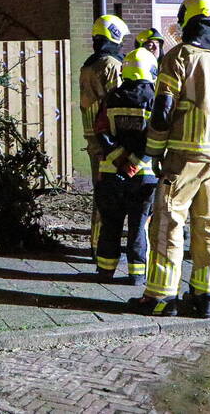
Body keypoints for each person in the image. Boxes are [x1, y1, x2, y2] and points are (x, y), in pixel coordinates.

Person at [128, 0, 210, 318]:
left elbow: (162, 111)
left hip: (186, 154)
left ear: (187, 20)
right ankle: (204, 296)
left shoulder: (179, 56)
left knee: (168, 223)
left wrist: (153, 151)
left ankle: (160, 296)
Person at [93, 47, 160, 286]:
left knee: (110, 224)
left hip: (111, 174)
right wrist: (133, 164)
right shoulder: (155, 98)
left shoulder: (111, 97)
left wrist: (120, 159)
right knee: (138, 226)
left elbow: (100, 131)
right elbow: (155, 138)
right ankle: (137, 274)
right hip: (144, 175)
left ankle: (105, 270)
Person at [80, 15, 129, 258]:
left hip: (93, 139)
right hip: (109, 140)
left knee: (100, 192)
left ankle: (96, 242)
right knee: (109, 195)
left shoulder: (89, 64)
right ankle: (102, 247)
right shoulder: (111, 64)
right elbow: (119, 101)